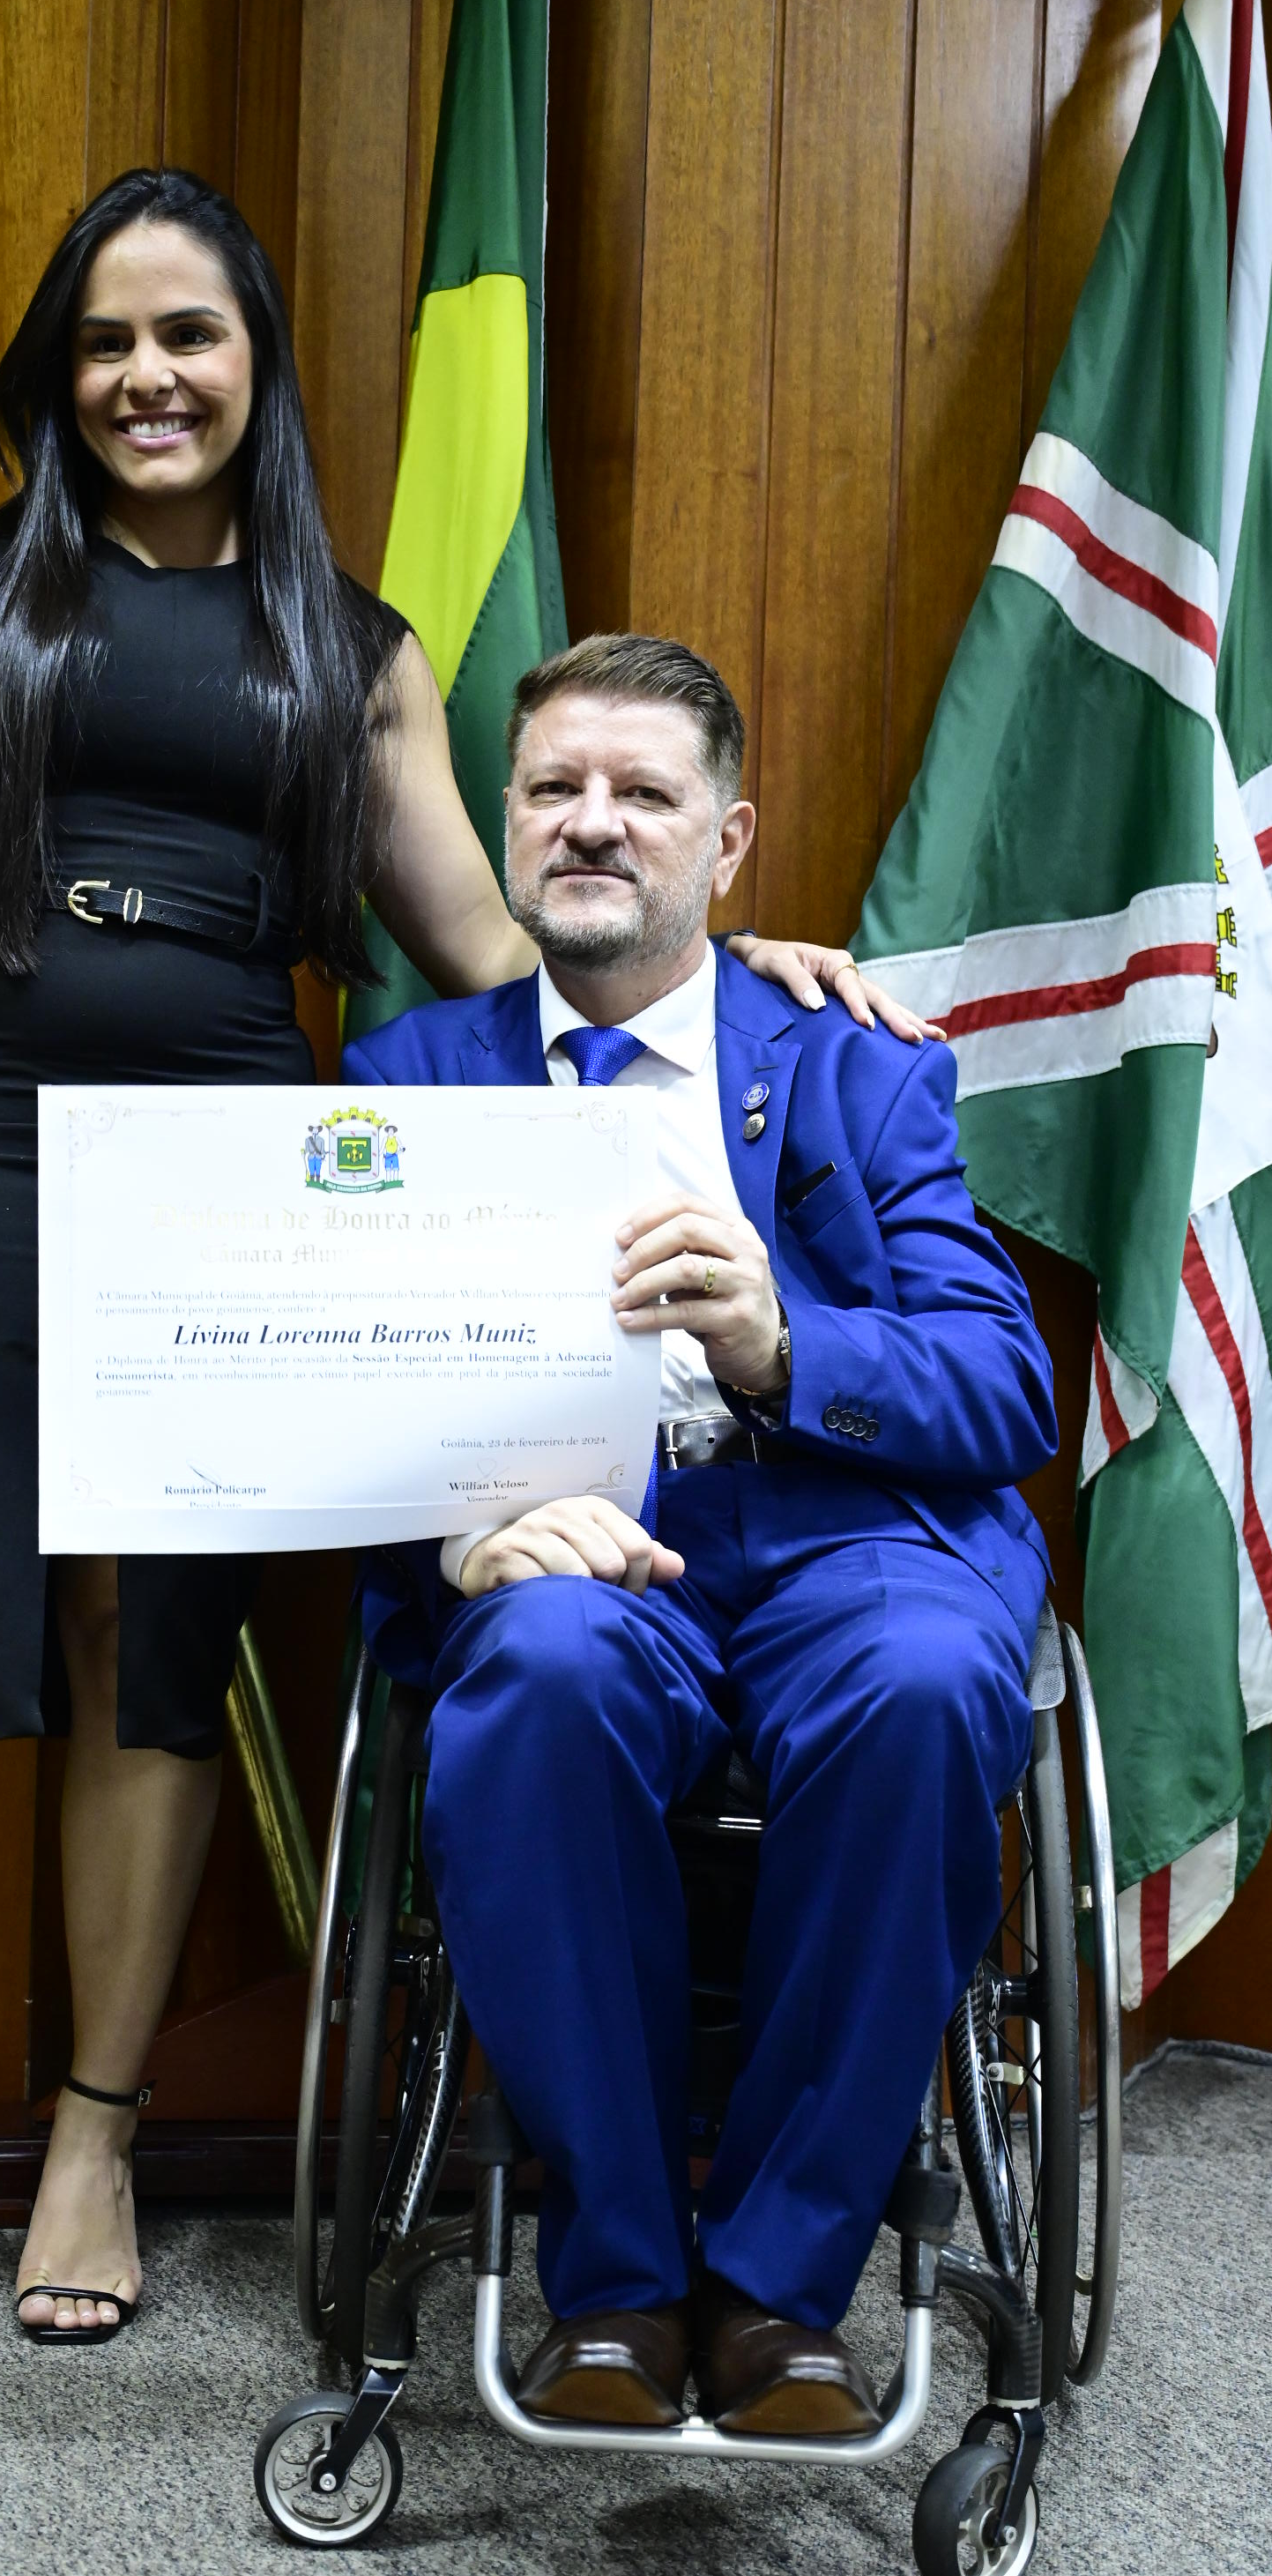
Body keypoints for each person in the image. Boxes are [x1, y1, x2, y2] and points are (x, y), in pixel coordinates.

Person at [0, 166, 934, 2356]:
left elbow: (499, 945)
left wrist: (728, 962)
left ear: (256, 364)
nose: (146, 377)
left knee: (152, 1645)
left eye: (187, 336)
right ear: (58, 371)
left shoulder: (357, 647)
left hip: (234, 1154)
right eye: (106, 341)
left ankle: (96, 2143)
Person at [343, 632, 1056, 2433]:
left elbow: (1003, 1389)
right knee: (538, 1668)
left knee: (921, 1685)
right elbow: (335, 1393)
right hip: (586, 1540)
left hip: (847, 1542)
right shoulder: (409, 1076)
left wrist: (784, 1342)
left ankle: (778, 2295)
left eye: (643, 794)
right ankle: (618, 2281)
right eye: (555, 788)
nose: (593, 822)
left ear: (726, 843)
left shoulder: (859, 1064)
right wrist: (450, 1541)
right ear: (507, 820)